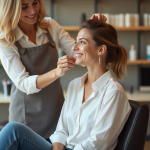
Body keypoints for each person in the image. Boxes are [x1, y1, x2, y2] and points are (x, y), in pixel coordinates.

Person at [0, 19, 132, 150]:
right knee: (12, 130)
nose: (74, 48)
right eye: (76, 41)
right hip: (61, 148)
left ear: (101, 50)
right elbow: (61, 132)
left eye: (82, 42)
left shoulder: (113, 92)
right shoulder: (74, 85)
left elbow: (98, 143)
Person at [0, 0, 106, 140]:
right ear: (11, 10)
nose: (32, 11)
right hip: (26, 117)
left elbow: (78, 53)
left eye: (35, 3)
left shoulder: (50, 26)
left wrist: (95, 31)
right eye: (24, 7)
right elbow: (23, 83)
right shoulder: (6, 39)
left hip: (56, 111)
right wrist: (56, 72)